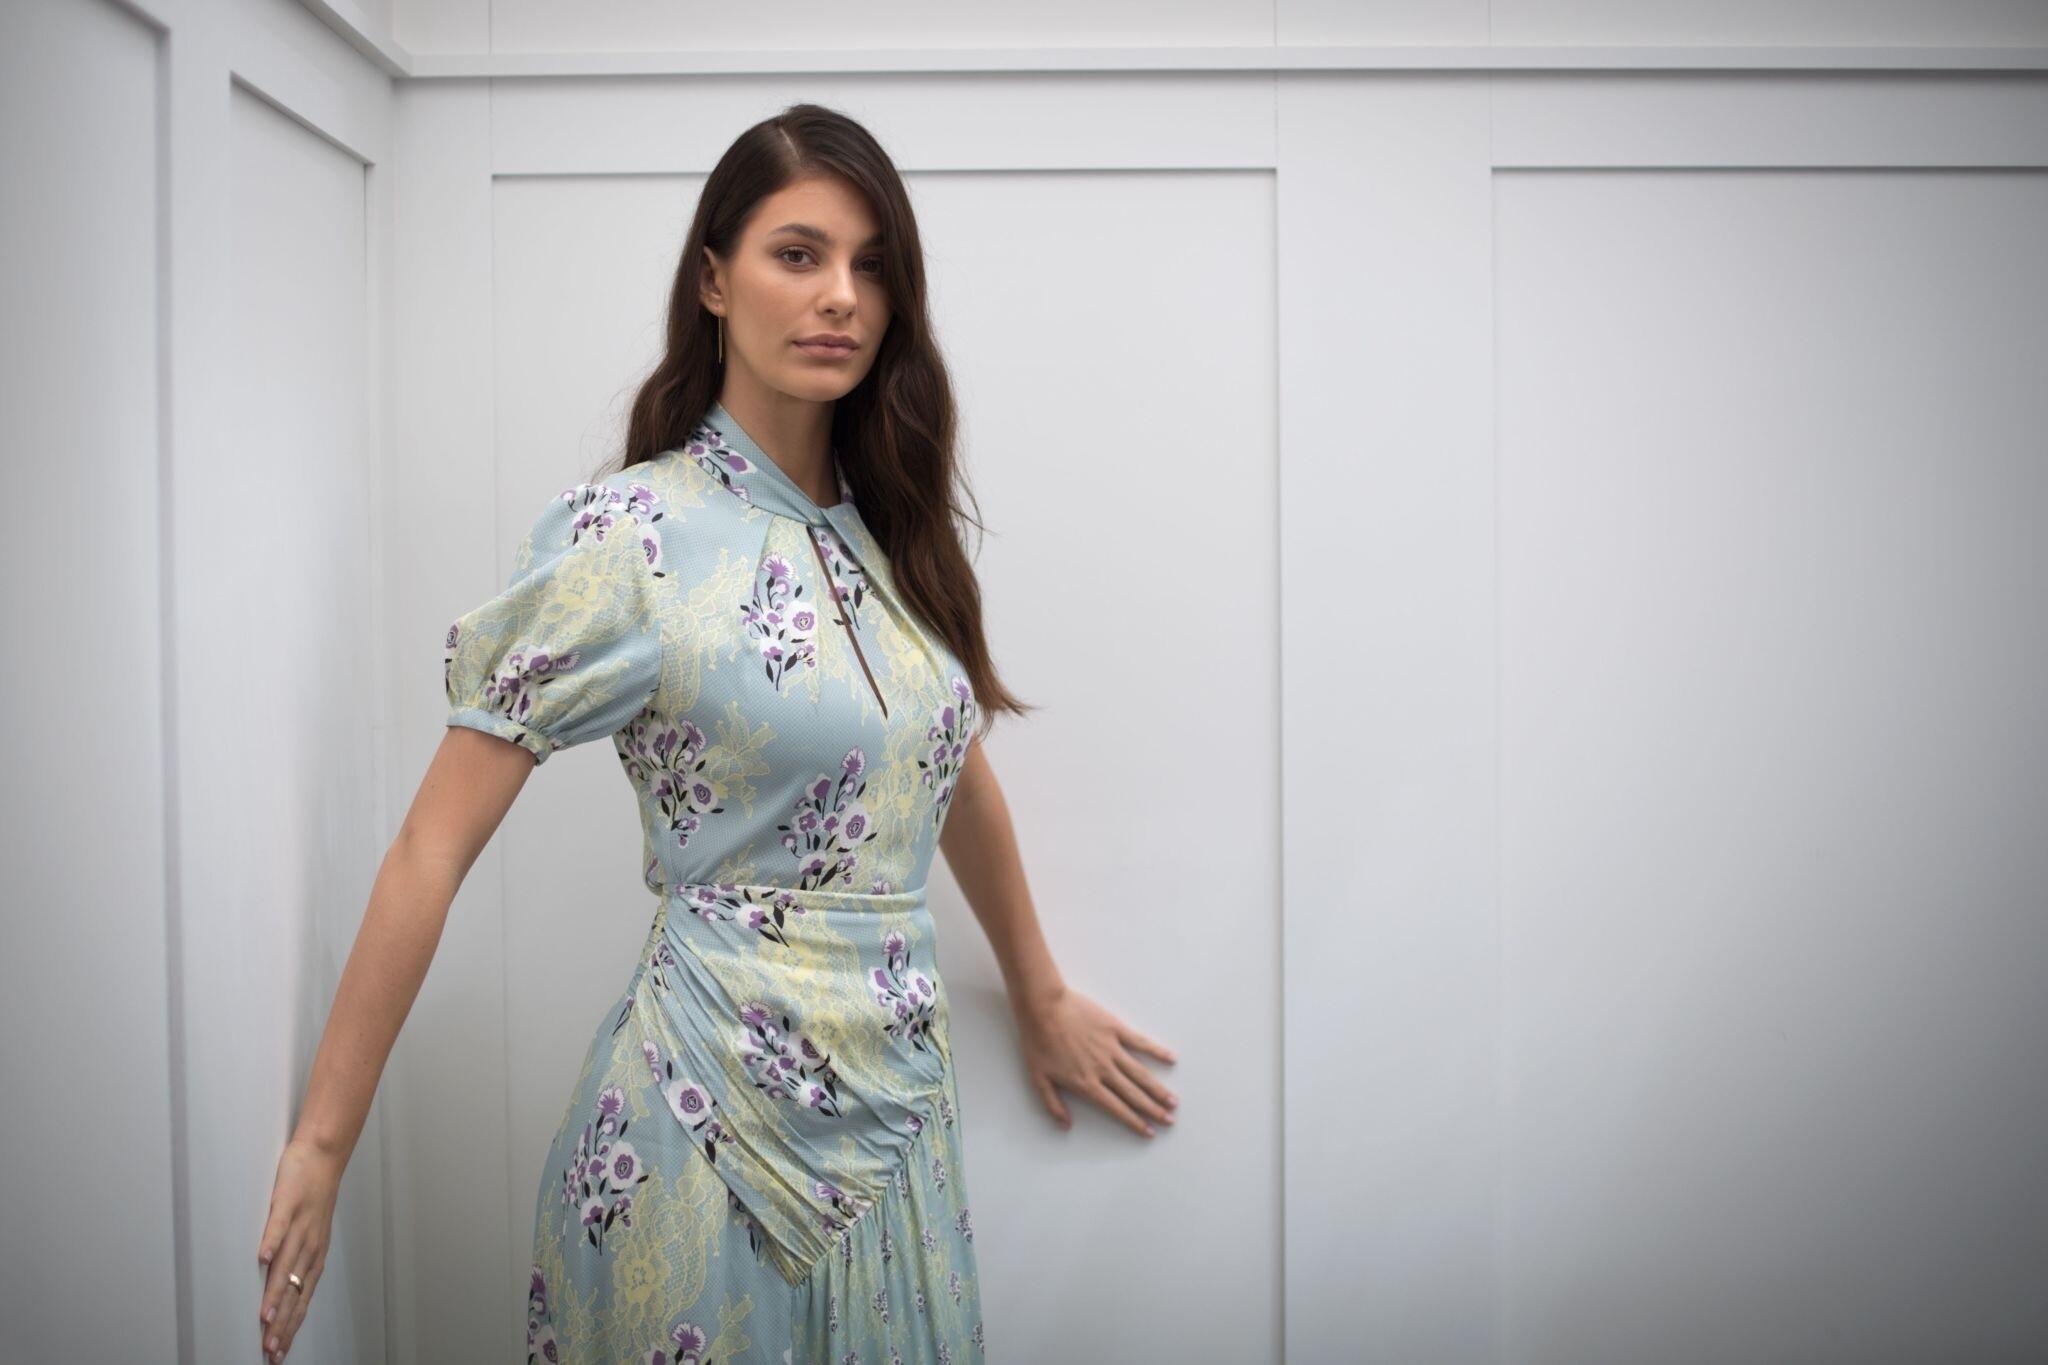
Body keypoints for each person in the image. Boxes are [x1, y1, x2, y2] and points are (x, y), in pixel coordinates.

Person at [254, 102, 1180, 1364]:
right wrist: (321, 1144)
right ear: (712, 279)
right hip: (695, 1139)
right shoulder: (631, 541)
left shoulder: (896, 537)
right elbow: (432, 846)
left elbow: (945, 771)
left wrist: (1039, 991)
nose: (839, 295)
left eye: (870, 266)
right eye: (798, 254)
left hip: (894, 1134)